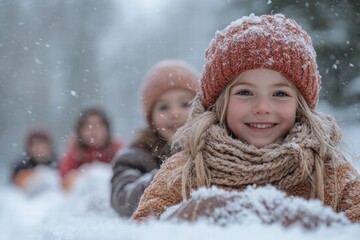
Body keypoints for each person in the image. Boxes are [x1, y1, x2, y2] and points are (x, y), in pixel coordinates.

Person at [131, 14, 360, 222]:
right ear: (220, 103)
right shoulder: (185, 171)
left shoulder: (329, 173)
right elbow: (144, 227)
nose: (262, 107)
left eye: (280, 94)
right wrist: (193, 215)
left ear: (300, 105)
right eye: (245, 92)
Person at [111, 59, 200, 217]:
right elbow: (123, 199)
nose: (175, 113)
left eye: (185, 104)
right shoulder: (136, 155)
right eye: (163, 107)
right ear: (150, 118)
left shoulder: (212, 147)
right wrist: (167, 176)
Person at [59, 107, 124, 190]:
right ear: (80, 131)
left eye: (98, 126)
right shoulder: (75, 151)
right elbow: (65, 179)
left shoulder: (117, 149)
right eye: (88, 126)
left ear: (107, 129)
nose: (93, 131)